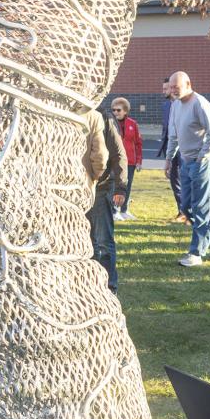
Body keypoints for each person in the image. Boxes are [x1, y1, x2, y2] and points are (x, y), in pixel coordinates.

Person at [166, 71, 210, 267]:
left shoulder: (200, 103)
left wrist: (201, 157)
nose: (173, 90)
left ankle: (196, 252)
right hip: (185, 161)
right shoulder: (175, 105)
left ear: (188, 84)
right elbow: (174, 136)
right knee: (186, 206)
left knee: (201, 207)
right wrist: (168, 159)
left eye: (176, 86)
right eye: (171, 87)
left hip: (203, 163)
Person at [85, 106, 126, 293]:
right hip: (80, 188)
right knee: (87, 239)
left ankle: (110, 285)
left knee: (103, 239)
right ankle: (91, 283)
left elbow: (117, 154)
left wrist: (120, 187)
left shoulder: (103, 117)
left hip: (99, 185)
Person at [110, 97, 143, 221]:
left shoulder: (133, 124)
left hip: (130, 161)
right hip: (115, 161)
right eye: (113, 110)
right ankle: (114, 210)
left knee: (127, 185)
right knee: (116, 185)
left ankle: (124, 210)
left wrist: (139, 161)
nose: (115, 113)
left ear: (125, 111)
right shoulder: (110, 123)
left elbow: (138, 143)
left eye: (118, 110)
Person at [157, 77, 186, 221]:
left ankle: (187, 212)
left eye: (166, 88)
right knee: (175, 180)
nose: (164, 91)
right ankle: (181, 210)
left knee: (184, 180)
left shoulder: (183, 105)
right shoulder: (166, 105)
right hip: (170, 147)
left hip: (184, 149)